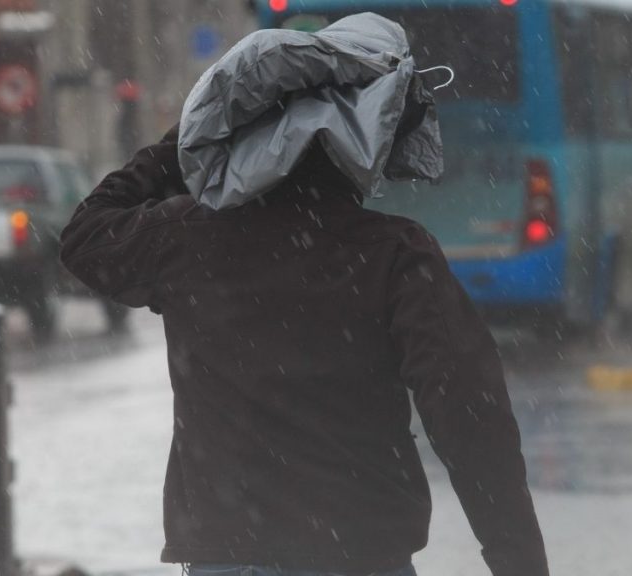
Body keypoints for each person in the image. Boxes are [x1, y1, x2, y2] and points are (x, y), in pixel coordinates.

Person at [59, 125, 549, 576]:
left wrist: (188, 140)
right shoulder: (393, 251)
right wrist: (518, 558)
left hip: (231, 552)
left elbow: (85, 235)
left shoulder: (188, 236)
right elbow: (468, 413)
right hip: (360, 552)